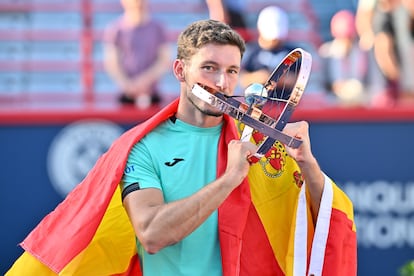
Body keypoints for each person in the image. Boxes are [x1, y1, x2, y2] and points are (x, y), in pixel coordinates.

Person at [6, 20, 357, 275]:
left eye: (232, 70)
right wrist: (229, 180)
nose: (221, 82)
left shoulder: (258, 142)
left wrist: (307, 163)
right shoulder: (143, 149)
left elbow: (324, 222)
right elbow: (152, 233)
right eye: (209, 68)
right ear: (179, 70)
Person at [103, 0, 171, 108]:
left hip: (152, 93)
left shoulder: (158, 28)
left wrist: (144, 81)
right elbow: (112, 62)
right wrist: (127, 84)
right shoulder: (116, 29)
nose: (137, 3)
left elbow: (164, 60)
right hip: (127, 93)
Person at [318, 9, 386, 106]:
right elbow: (320, 86)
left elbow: (377, 85)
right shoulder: (326, 53)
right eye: (342, 37)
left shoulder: (365, 52)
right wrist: (336, 89)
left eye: (348, 38)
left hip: (363, 106)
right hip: (333, 106)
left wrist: (361, 94)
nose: (346, 41)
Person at [239, 6, 298, 91]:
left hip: (284, 101)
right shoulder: (252, 51)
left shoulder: (293, 53)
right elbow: (243, 79)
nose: (275, 41)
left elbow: (297, 80)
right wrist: (258, 77)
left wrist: (275, 79)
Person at [373, 0, 414, 105]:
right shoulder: (382, 19)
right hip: (393, 86)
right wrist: (397, 81)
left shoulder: (401, 13)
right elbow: (383, 50)